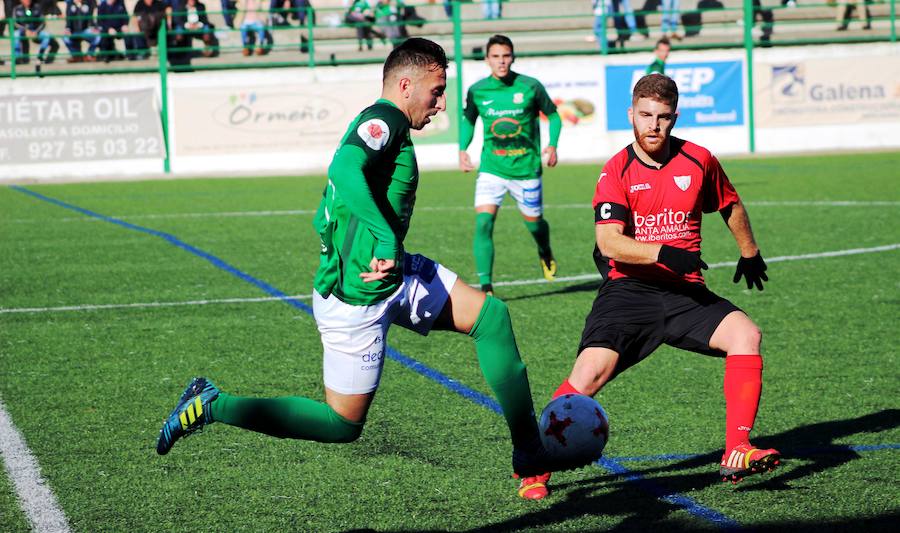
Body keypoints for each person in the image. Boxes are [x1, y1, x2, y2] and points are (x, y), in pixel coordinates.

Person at [155, 37, 583, 501]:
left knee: (491, 317)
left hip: (391, 274)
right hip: (356, 294)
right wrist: (381, 237)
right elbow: (343, 168)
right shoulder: (384, 120)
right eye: (436, 92)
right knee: (341, 425)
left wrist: (386, 247)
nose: (440, 105)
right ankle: (212, 405)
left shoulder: (392, 124)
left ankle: (530, 456)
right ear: (405, 84)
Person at [539, 73, 781, 496]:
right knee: (589, 375)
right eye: (646, 115)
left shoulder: (699, 159)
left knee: (746, 334)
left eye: (663, 117)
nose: (654, 126)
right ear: (631, 114)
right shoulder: (616, 171)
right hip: (629, 290)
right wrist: (664, 251)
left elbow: (729, 202)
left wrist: (749, 251)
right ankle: (534, 463)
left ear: (675, 117)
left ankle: (737, 448)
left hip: (685, 294)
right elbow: (608, 241)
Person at [458, 35, 562, 295]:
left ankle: (544, 250)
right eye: (495, 56)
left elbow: (553, 115)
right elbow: (469, 120)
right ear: (487, 60)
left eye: (505, 56)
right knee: (483, 223)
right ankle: (487, 288)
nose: (501, 61)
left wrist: (553, 144)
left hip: (526, 169)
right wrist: (462, 149)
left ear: (512, 57)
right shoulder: (477, 90)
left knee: (534, 224)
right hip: (492, 168)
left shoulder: (530, 86)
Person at [12, 0, 55, 64]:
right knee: (15, 35)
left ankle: (40, 56)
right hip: (22, 30)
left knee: (47, 36)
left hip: (35, 30)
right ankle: (17, 58)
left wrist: (36, 32)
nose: (27, 1)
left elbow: (43, 22)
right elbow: (14, 22)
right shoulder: (17, 9)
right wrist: (25, 30)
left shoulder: (37, 7)